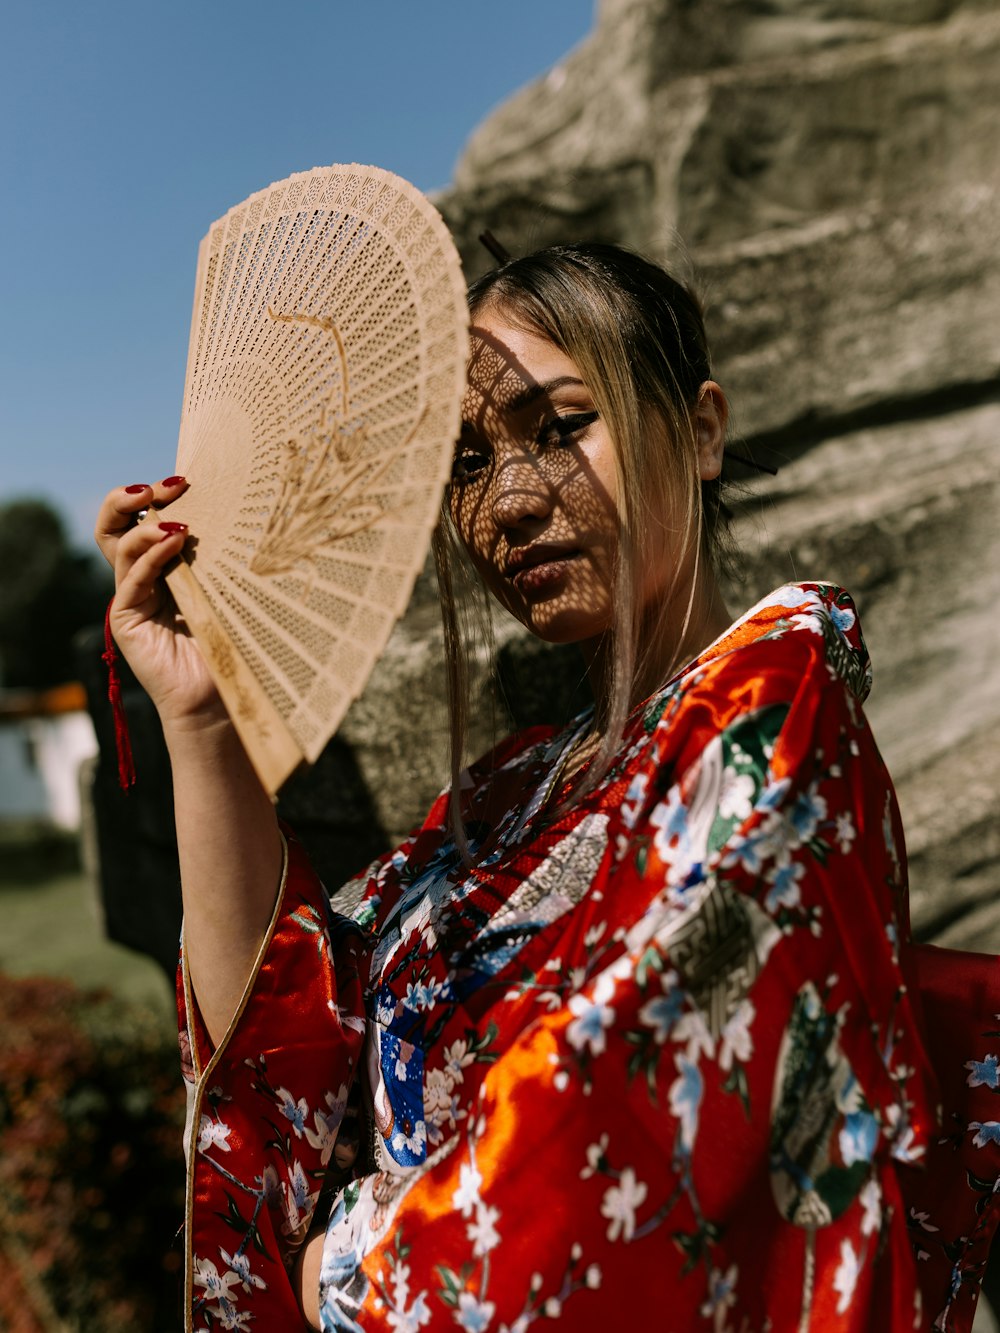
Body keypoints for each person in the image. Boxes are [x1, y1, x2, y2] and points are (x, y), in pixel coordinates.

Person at [96, 245, 1000, 1332]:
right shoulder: (514, 782)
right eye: (467, 465)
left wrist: (344, 1266)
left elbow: (612, 1143)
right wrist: (199, 720)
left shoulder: (775, 713)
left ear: (701, 431)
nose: (510, 504)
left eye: (562, 427)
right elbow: (295, 1027)